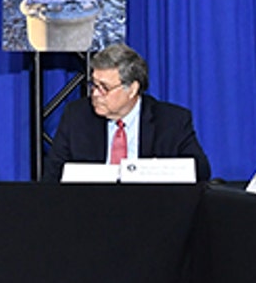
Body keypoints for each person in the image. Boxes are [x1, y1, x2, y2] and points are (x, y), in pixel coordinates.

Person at [42, 42, 211, 183]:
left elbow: (200, 173)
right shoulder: (77, 116)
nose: (95, 94)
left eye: (105, 88)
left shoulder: (171, 121)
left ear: (132, 89)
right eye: (94, 84)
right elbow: (52, 177)